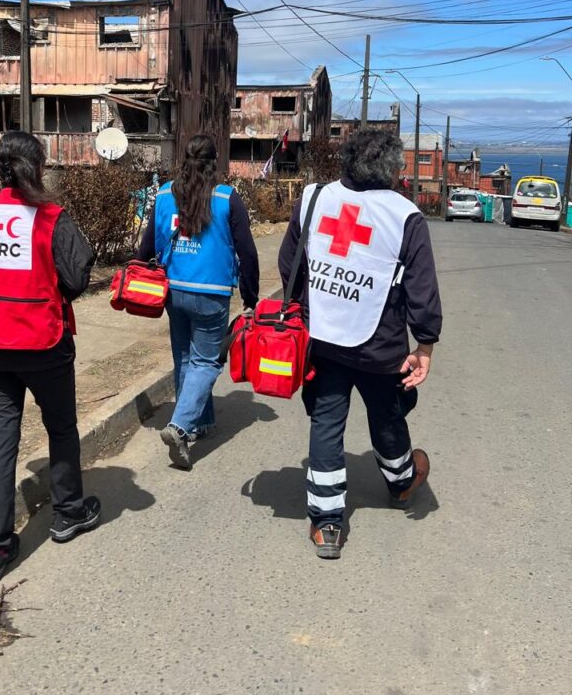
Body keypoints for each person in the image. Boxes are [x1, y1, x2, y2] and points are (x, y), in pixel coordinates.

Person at [278, 129, 442, 560]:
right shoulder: (405, 216)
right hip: (380, 344)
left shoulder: (314, 199)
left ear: (346, 160)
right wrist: (424, 346)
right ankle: (402, 483)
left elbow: (289, 266)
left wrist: (305, 312)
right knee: (387, 416)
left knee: (327, 422)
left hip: (323, 337)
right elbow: (421, 291)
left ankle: (326, 524)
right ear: (393, 170)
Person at [0, 131, 100, 582]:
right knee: (60, 427)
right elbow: (77, 277)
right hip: (44, 344)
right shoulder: (50, 217)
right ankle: (67, 513)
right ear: (37, 167)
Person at [137, 134, 260, 471]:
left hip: (173, 290)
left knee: (185, 357)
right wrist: (251, 296)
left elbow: (147, 246)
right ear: (214, 161)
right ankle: (179, 428)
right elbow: (247, 252)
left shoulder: (164, 193)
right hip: (212, 292)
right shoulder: (226, 197)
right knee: (206, 362)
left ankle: (198, 423)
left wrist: (139, 269)